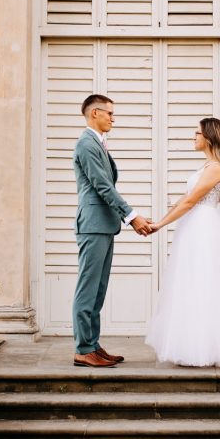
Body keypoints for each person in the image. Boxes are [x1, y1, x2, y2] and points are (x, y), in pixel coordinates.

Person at [146, 117, 220, 368]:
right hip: (193, 226)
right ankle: (189, 344)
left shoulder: (215, 169)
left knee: (201, 284)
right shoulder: (207, 166)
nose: (194, 137)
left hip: (202, 228)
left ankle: (202, 349)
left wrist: (160, 225)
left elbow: (190, 202)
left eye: (197, 133)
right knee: (189, 282)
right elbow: (185, 199)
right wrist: (161, 219)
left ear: (209, 138)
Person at [72, 94, 151, 368]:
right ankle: (83, 349)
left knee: (98, 289)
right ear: (95, 113)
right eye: (109, 113)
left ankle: (92, 344)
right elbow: (103, 186)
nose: (113, 118)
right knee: (88, 288)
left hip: (103, 225)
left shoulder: (97, 143)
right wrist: (132, 216)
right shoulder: (86, 143)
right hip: (93, 225)